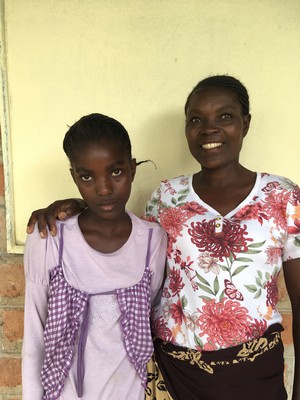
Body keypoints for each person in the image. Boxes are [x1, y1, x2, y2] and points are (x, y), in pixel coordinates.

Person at [27, 76, 300, 400]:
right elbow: (121, 231)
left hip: (253, 374)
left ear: (246, 123)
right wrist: (79, 207)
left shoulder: (283, 197)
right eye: (196, 119)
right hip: (174, 377)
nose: (209, 128)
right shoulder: (166, 197)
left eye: (224, 116)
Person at [22, 113, 167, 400]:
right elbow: (34, 335)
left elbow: (149, 316)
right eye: (87, 176)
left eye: (116, 172)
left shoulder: (152, 240)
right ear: (74, 177)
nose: (104, 189)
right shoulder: (48, 238)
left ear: (132, 169)